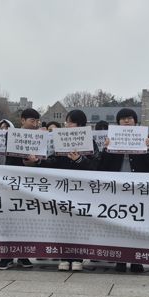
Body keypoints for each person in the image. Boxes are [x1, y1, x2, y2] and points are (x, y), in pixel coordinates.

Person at [99, 108, 149, 273]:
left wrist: (148, 150)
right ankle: (120, 259)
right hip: (117, 188)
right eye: (123, 119)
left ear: (135, 121)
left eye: (129, 118)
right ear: (118, 123)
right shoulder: (112, 139)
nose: (126, 121)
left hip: (137, 188)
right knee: (119, 224)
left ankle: (137, 259)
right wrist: (106, 150)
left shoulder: (142, 139)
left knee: (138, 224)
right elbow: (102, 168)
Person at [0, 108, 45, 269]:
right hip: (12, 180)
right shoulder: (12, 135)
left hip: (30, 182)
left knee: (26, 219)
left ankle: (23, 255)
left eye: (37, 121)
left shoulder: (40, 136)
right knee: (9, 219)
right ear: (22, 121)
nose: (35, 124)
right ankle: (6, 256)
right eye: (32, 121)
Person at [52, 109, 97, 271]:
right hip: (63, 188)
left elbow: (96, 166)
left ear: (80, 124)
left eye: (70, 122)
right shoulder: (60, 140)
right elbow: (53, 162)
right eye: (66, 122)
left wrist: (79, 159)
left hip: (82, 189)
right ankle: (64, 256)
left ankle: (78, 256)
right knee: (63, 223)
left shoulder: (90, 142)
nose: (67, 125)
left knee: (79, 223)